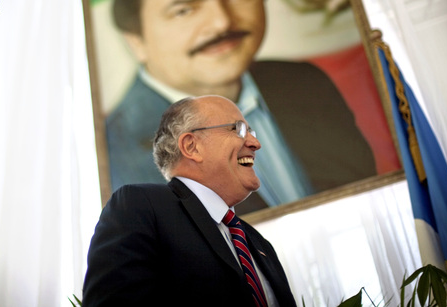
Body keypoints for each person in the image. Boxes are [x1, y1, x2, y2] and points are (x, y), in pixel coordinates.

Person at [106, 0, 376, 212]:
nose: (222, 21)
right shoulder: (109, 153)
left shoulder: (304, 82)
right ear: (136, 40)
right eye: (184, 10)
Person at [83, 95, 297, 306]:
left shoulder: (258, 243)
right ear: (191, 146)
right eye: (239, 129)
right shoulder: (140, 207)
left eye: (251, 132)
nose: (255, 143)